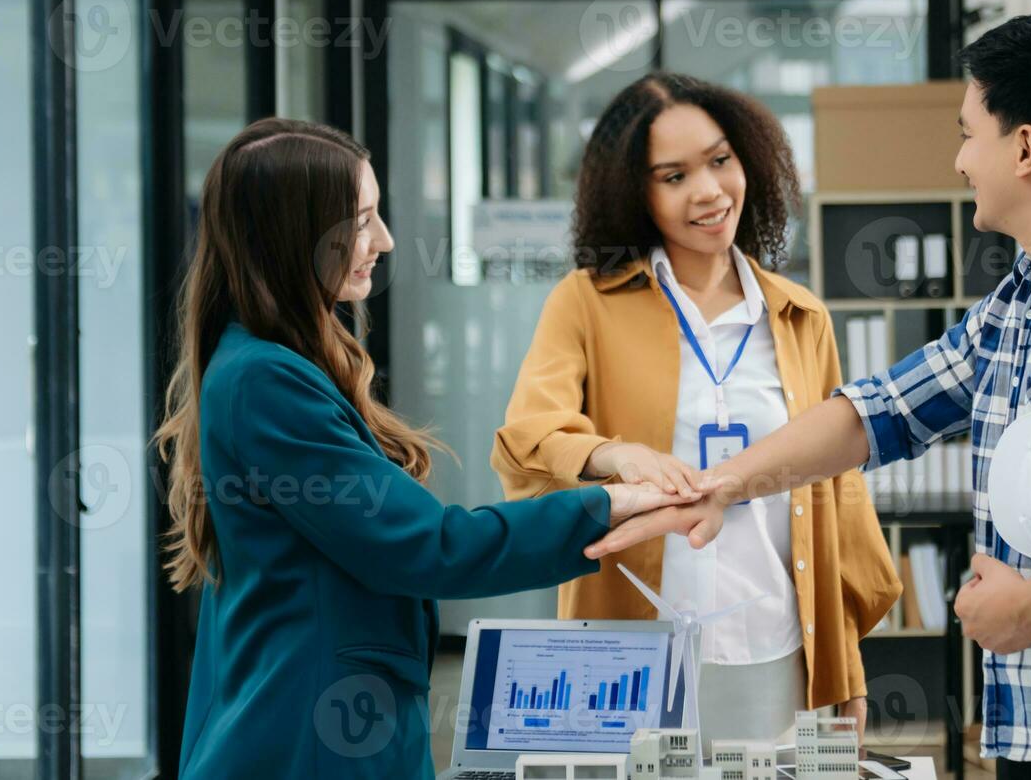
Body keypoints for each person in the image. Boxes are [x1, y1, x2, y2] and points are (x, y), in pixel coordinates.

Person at [586, 12, 1031, 778]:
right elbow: (880, 411)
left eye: (969, 133)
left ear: (1025, 147)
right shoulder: (1021, 301)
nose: (961, 159)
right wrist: (723, 486)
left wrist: (1029, 608)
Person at [154, 118, 693, 779]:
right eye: (360, 220)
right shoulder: (267, 380)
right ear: (295, 234)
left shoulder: (268, 363)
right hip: (315, 735)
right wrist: (605, 505)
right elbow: (428, 547)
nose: (381, 241)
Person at [491, 73, 900, 748]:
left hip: (778, 638)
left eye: (719, 161)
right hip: (630, 646)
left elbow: (838, 487)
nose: (708, 191)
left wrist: (845, 669)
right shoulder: (586, 302)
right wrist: (615, 454)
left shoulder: (799, 316)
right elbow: (528, 438)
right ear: (636, 192)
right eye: (673, 176)